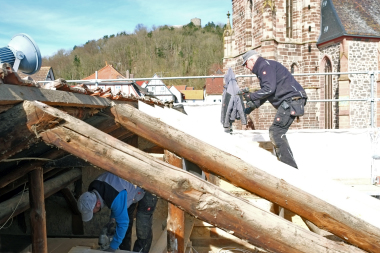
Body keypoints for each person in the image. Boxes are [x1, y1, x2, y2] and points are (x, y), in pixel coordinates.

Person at [241, 50, 307, 169]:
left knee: (276, 132)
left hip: (292, 100)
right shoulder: (265, 67)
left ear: (252, 60)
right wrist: (248, 109)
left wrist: (250, 96)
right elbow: (265, 94)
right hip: (292, 100)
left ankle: (291, 170)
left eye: (246, 63)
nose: (246, 67)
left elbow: (269, 89)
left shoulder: (264, 66)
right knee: (277, 132)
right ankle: (287, 166)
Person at [77, 172, 157, 252]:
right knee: (125, 224)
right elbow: (114, 201)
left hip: (148, 182)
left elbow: (123, 222)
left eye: (92, 212)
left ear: (98, 204)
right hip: (129, 187)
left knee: (142, 225)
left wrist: (112, 248)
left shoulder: (114, 195)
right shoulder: (97, 187)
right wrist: (112, 220)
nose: (93, 213)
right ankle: (124, 250)